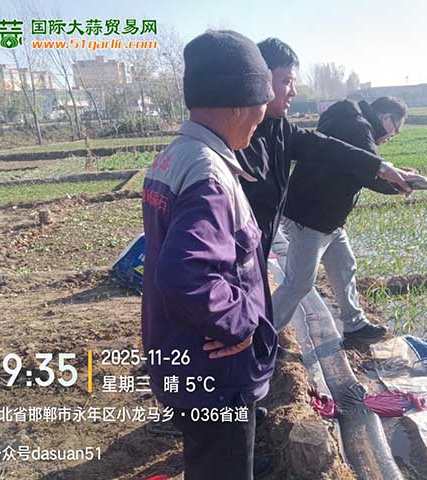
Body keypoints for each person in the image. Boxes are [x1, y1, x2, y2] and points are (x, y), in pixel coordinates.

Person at [141, 30, 277, 480]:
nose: (263, 115)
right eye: (262, 101)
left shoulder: (175, 157)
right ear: (238, 103)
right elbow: (186, 273)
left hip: (184, 356)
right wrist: (242, 326)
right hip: (216, 375)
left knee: (207, 464)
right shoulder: (209, 175)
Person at [237, 38, 415, 262]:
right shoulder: (231, 141)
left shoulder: (279, 126)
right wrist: (390, 177)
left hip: (268, 238)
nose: (293, 92)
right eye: (286, 82)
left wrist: (381, 167)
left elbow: (326, 148)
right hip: (291, 227)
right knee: (298, 278)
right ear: (260, 79)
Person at [273, 96, 415, 342]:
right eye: (396, 130)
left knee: (344, 266)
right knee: (299, 283)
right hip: (311, 215)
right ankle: (260, 335)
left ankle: (354, 325)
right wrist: (403, 183)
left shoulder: (350, 121)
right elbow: (371, 172)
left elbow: (366, 166)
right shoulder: (358, 128)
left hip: (330, 216)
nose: (392, 136)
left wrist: (397, 176)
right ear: (386, 118)